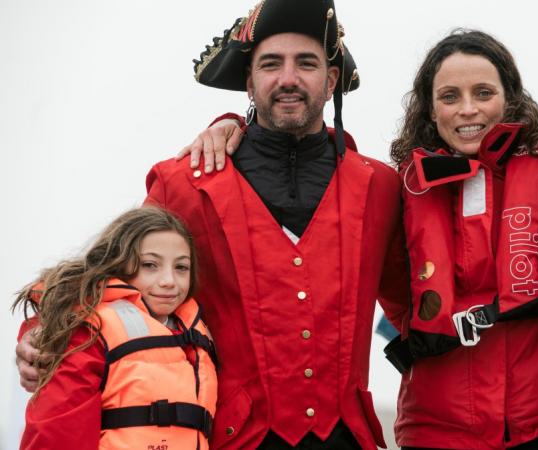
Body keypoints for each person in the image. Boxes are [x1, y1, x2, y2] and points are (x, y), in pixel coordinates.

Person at [179, 27, 538, 449]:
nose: (469, 110)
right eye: (450, 96)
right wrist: (231, 126)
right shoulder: (393, 187)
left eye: (484, 93)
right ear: (429, 108)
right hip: (435, 429)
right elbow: (309, 170)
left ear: (509, 97)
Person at [16, 0, 408, 449]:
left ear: (331, 79)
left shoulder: (380, 186)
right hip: (225, 438)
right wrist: (39, 336)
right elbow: (104, 286)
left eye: (306, 63)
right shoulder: (182, 183)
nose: (288, 79)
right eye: (270, 64)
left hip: (348, 439)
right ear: (248, 79)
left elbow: (415, 306)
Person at [13, 207, 217, 450]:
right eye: (150, 265)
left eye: (181, 267)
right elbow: (57, 432)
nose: (169, 281)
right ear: (117, 265)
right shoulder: (90, 331)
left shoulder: (198, 335)